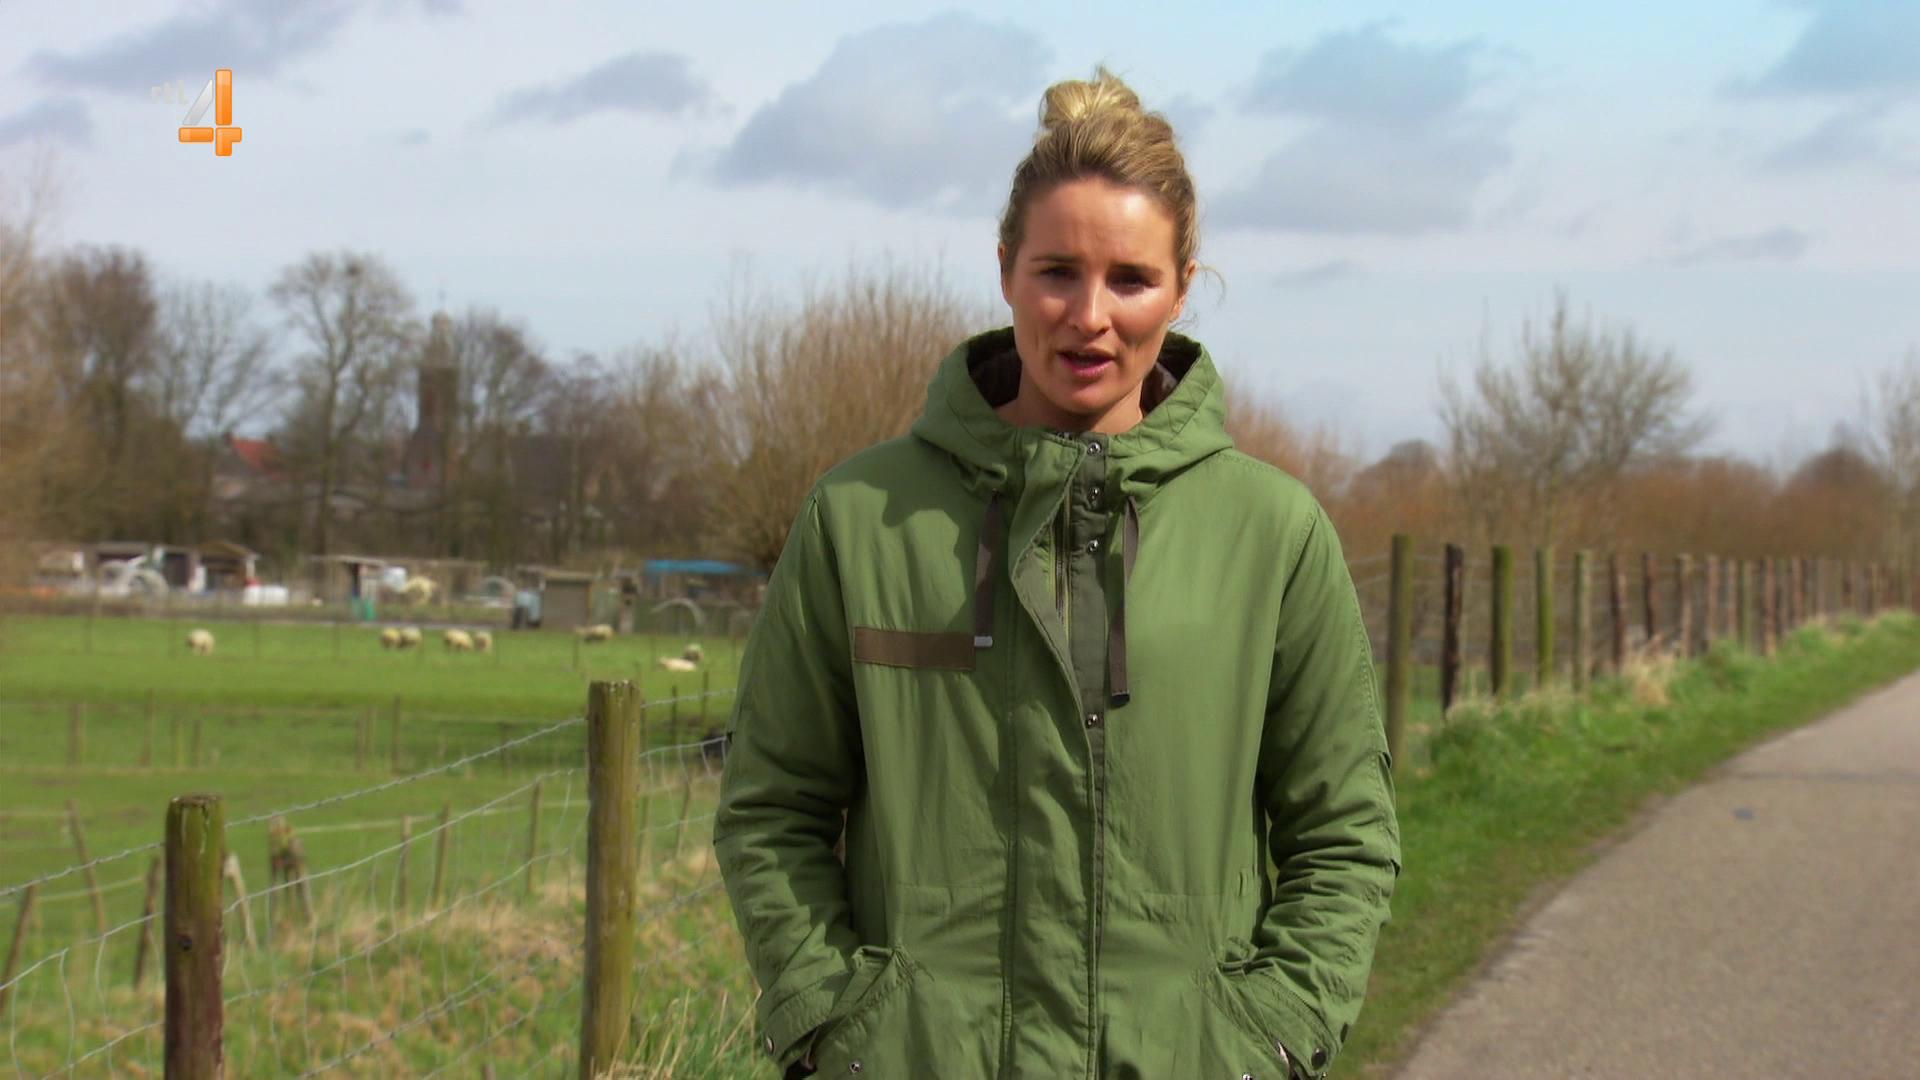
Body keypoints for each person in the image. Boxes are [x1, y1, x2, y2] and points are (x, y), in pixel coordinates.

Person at [714, 68, 1400, 1079]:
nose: (1090, 316)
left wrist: (1268, 1036)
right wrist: (835, 1023)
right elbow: (772, 807)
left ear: (1183, 287)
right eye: (1057, 272)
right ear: (1004, 270)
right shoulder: (860, 520)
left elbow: (1344, 831)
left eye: (1131, 279)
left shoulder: (1272, 534)